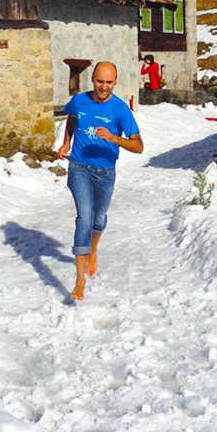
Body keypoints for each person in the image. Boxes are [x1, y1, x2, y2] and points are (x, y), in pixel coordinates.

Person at [57, 61, 144, 300]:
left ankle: (93, 250)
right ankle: (79, 281)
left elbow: (138, 146)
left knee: (99, 218)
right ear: (92, 80)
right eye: (99, 81)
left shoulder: (120, 110)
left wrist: (115, 138)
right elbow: (72, 118)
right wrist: (67, 142)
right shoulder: (79, 100)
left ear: (115, 83)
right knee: (84, 218)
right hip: (79, 168)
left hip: (106, 172)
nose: (103, 87)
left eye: (108, 82)